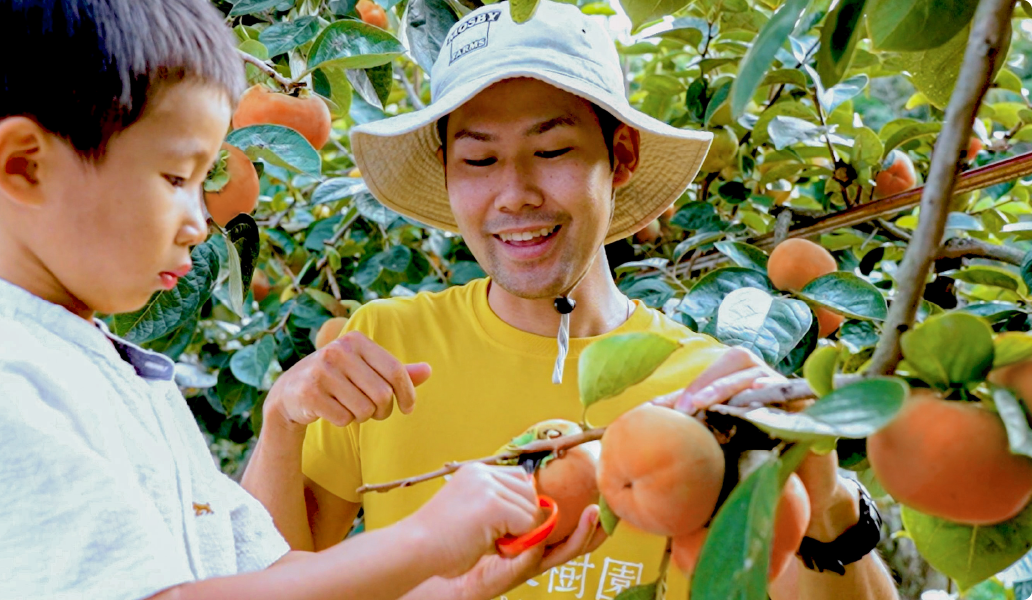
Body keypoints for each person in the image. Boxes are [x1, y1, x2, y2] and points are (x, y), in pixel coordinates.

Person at [0, 1, 597, 599]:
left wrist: (459, 583)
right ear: (24, 167)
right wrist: (424, 538)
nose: (201, 221)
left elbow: (272, 585)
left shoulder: (121, 379)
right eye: (178, 178)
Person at [256, 2, 902, 599]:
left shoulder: (709, 393)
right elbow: (267, 578)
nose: (515, 194)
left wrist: (825, 498)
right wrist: (282, 423)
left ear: (618, 158)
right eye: (479, 160)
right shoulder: (387, 351)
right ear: (449, 172)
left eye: (553, 150)